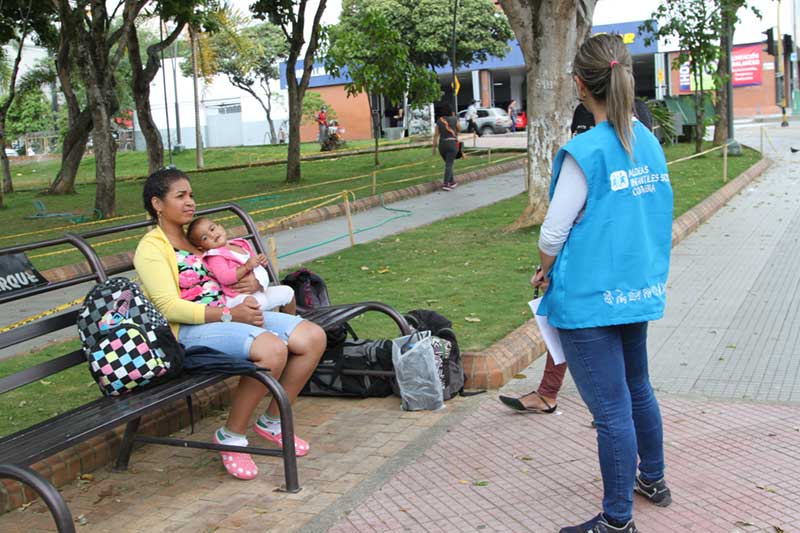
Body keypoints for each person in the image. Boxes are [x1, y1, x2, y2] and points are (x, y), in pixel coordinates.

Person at [532, 34, 673, 532]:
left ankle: (616, 522)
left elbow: (553, 231)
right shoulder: (647, 140)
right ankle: (652, 478)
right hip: (636, 290)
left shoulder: (585, 151)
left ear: (579, 84)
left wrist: (545, 267)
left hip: (590, 298)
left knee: (610, 409)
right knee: (637, 387)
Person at [134, 167, 326, 480]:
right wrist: (229, 315)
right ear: (157, 204)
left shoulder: (197, 237)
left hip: (231, 314)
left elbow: (230, 271)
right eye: (180, 196)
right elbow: (169, 307)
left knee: (312, 337)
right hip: (190, 330)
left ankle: (273, 422)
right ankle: (232, 435)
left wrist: (251, 284)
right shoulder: (152, 248)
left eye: (191, 195)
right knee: (273, 349)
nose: (190, 202)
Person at [499, 95, 659, 416]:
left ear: (584, 83)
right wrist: (550, 268)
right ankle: (555, 395)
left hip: (608, 272)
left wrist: (550, 266)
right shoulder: (593, 142)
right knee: (626, 375)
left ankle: (611, 419)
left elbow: (561, 228)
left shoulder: (625, 138)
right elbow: (572, 220)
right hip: (610, 268)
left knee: (622, 387)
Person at [186, 216, 297, 314]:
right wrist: (246, 267)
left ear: (220, 226)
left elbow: (254, 263)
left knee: (288, 292)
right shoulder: (215, 256)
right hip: (238, 297)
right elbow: (224, 277)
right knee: (255, 304)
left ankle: (292, 322)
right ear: (201, 247)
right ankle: (266, 332)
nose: (212, 235)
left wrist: (261, 261)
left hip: (259, 290)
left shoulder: (239, 244)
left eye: (212, 228)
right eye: (205, 238)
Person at [432, 103, 460, 191]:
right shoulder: (454, 119)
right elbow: (459, 129)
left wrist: (434, 148)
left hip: (442, 146)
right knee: (449, 164)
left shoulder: (439, 121)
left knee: (448, 163)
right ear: (451, 111)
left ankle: (452, 182)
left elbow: (436, 135)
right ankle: (446, 183)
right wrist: (454, 118)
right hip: (452, 144)